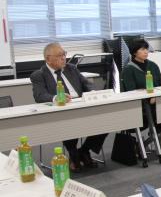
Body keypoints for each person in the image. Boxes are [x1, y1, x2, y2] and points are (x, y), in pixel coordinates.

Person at [30, 42, 108, 171]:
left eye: (64, 54)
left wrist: (94, 92)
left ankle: (83, 150)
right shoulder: (39, 75)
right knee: (69, 121)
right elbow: (39, 95)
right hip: (60, 111)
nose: (63, 58)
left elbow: (87, 84)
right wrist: (56, 98)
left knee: (107, 120)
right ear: (48, 59)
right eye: (59, 55)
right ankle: (73, 153)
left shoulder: (71, 68)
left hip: (82, 106)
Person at [121, 39, 161, 148]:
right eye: (142, 49)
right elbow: (131, 93)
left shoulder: (153, 65)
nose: (146, 52)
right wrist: (149, 98)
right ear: (134, 52)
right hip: (141, 105)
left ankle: (159, 133)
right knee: (158, 111)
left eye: (146, 49)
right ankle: (155, 136)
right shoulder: (129, 69)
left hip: (158, 100)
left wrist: (158, 96)